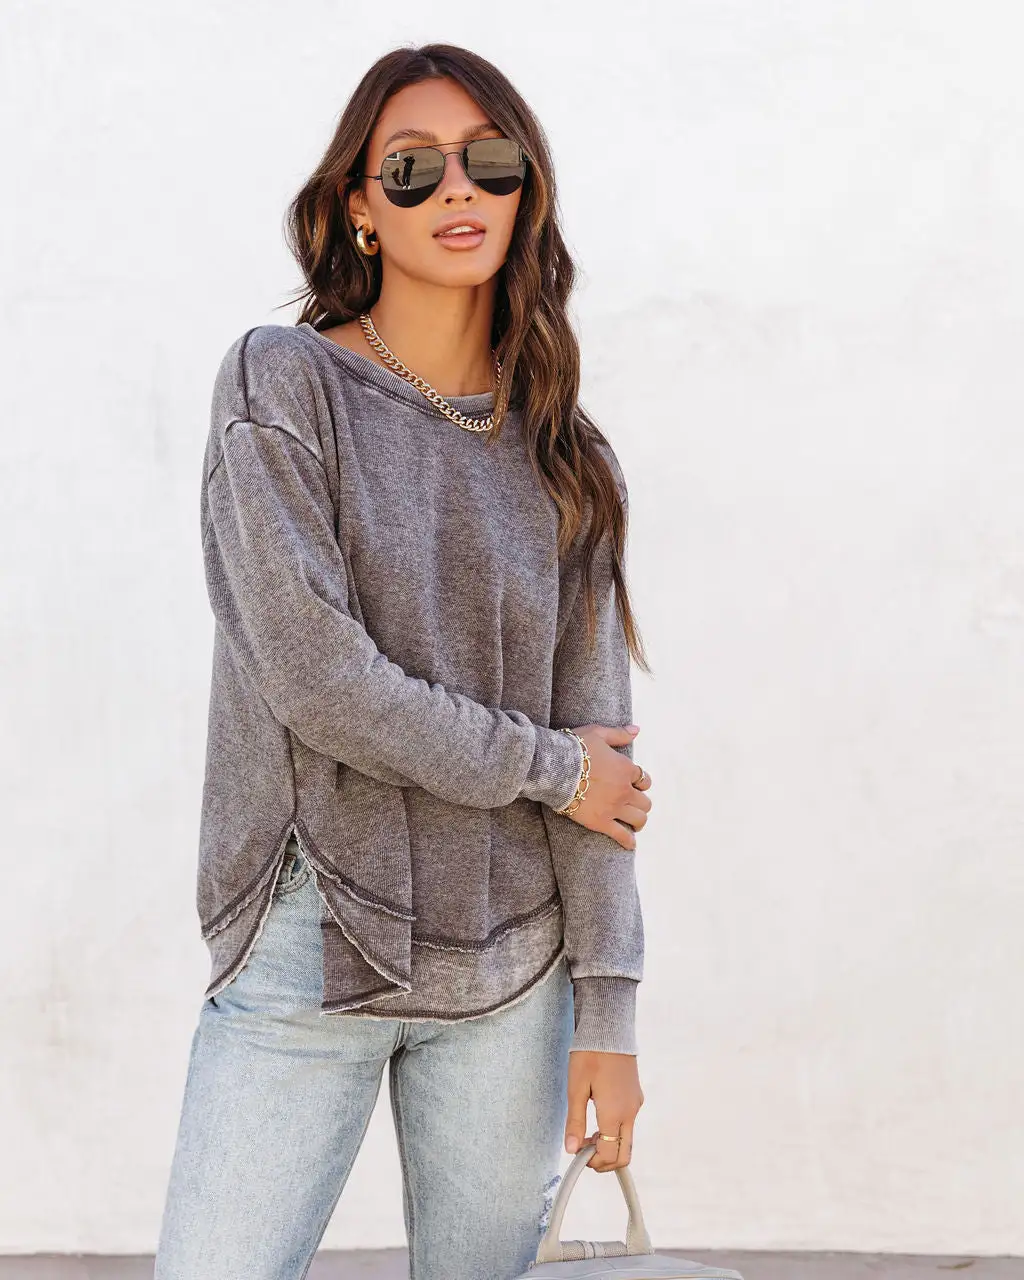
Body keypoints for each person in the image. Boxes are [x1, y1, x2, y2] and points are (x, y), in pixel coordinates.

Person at [154, 41, 654, 1280]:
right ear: (359, 208)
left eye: (489, 161)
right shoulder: (284, 382)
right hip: (311, 941)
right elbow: (319, 680)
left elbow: (604, 749)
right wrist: (549, 769)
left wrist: (609, 1008)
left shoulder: (567, 454)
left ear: (526, 190)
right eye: (413, 167)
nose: (457, 188)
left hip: (513, 969)